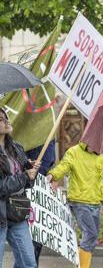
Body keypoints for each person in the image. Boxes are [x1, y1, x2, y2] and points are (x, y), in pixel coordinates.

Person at [47, 142, 103, 268]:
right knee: (90, 234)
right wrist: (53, 174)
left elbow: (100, 182)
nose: (99, 146)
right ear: (89, 139)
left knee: (92, 237)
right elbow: (64, 166)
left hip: (95, 203)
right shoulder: (74, 151)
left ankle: (82, 264)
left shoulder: (99, 157)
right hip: (79, 202)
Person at [0, 108, 40, 268]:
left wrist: (31, 170)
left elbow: (28, 183)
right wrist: (24, 176)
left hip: (17, 212)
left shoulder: (16, 147)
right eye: (0, 118)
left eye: (5, 117)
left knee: (29, 263)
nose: (5, 120)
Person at [26, 140, 56, 267]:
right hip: (27, 194)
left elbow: (50, 165)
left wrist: (53, 176)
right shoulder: (31, 136)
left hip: (41, 197)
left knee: (37, 241)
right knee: (28, 243)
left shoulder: (50, 141)